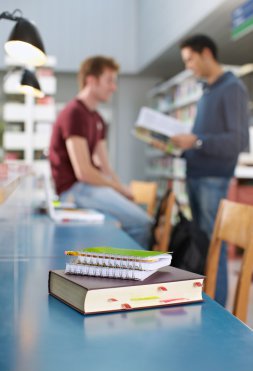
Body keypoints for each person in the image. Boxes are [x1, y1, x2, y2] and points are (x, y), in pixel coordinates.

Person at [169, 35, 249, 306]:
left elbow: (237, 142)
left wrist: (198, 141)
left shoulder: (232, 88)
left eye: (190, 59)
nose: (189, 66)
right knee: (202, 245)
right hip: (196, 175)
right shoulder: (206, 91)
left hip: (213, 179)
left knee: (215, 246)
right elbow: (201, 138)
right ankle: (205, 301)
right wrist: (183, 144)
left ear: (206, 53)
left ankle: (218, 308)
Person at [49, 56, 152, 248]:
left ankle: (120, 268)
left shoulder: (98, 119)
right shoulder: (74, 113)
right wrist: (118, 188)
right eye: (109, 80)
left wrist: (119, 186)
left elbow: (105, 166)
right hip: (74, 191)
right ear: (91, 80)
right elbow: (84, 172)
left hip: (88, 188)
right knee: (141, 223)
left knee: (138, 216)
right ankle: (136, 275)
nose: (114, 87)